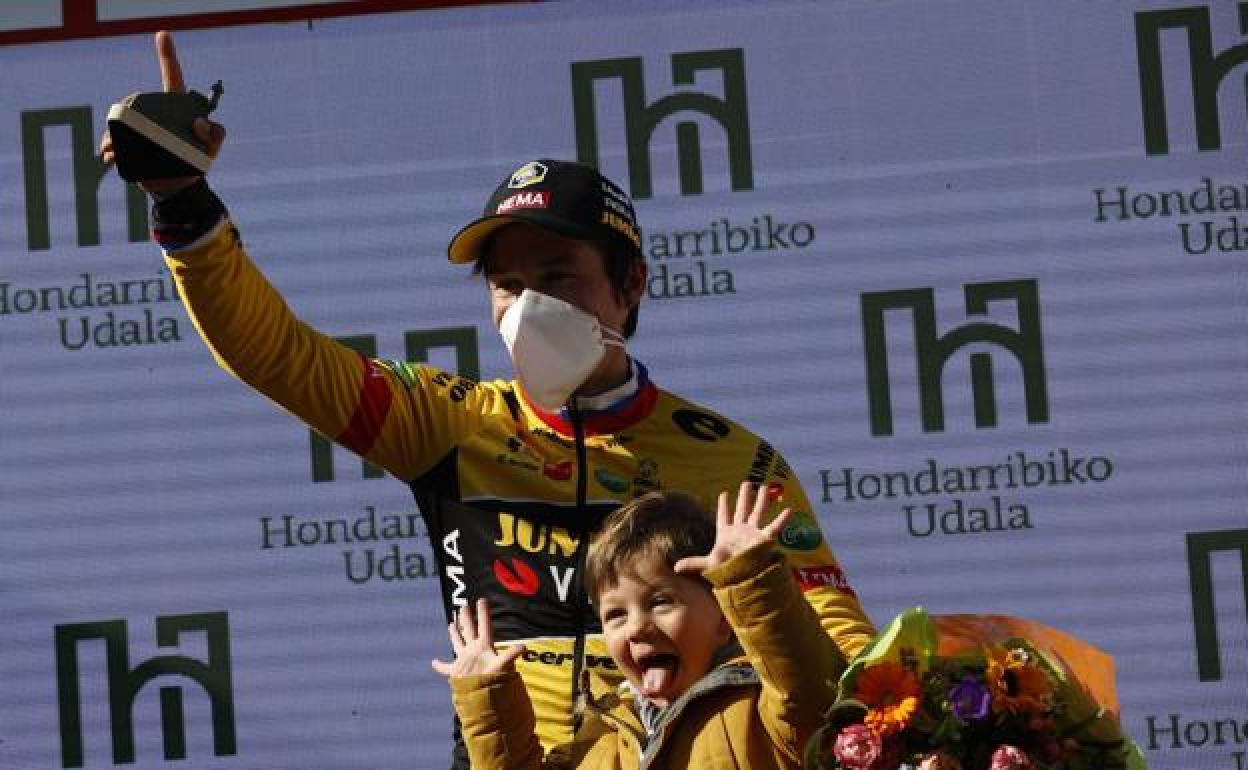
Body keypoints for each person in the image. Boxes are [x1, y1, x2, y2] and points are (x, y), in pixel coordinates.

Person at [101, 31, 875, 767]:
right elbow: (275, 353)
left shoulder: (733, 457)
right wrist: (183, 204)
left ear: (632, 283)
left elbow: (845, 657)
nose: (529, 306)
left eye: (559, 277)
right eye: (508, 284)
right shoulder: (450, 421)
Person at [435, 482, 846, 769]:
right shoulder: (599, 741)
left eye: (661, 602)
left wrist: (747, 577)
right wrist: (489, 704)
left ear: (724, 617)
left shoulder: (766, 708)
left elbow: (809, 685)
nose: (636, 628)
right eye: (615, 615)